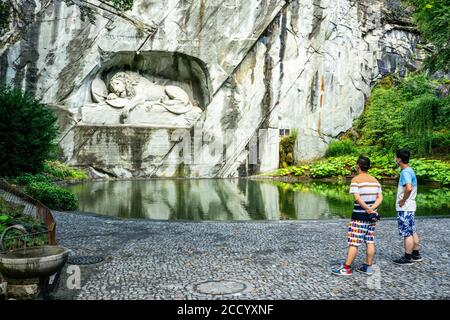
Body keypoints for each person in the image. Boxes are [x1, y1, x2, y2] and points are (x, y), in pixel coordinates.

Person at [332, 156, 383, 276]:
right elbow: (380, 197)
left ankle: (346, 268)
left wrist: (367, 209)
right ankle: (368, 267)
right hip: (372, 217)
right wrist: (372, 209)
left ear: (357, 166)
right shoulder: (375, 180)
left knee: (354, 242)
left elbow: (357, 198)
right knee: (369, 241)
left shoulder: (356, 180)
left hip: (359, 217)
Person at [393, 148, 422, 265]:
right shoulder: (410, 170)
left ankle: (407, 257)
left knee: (407, 233)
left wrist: (402, 200)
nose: (395, 159)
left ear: (399, 159)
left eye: (396, 157)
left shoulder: (405, 172)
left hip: (405, 207)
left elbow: (408, 188)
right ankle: (416, 254)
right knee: (411, 230)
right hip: (410, 206)